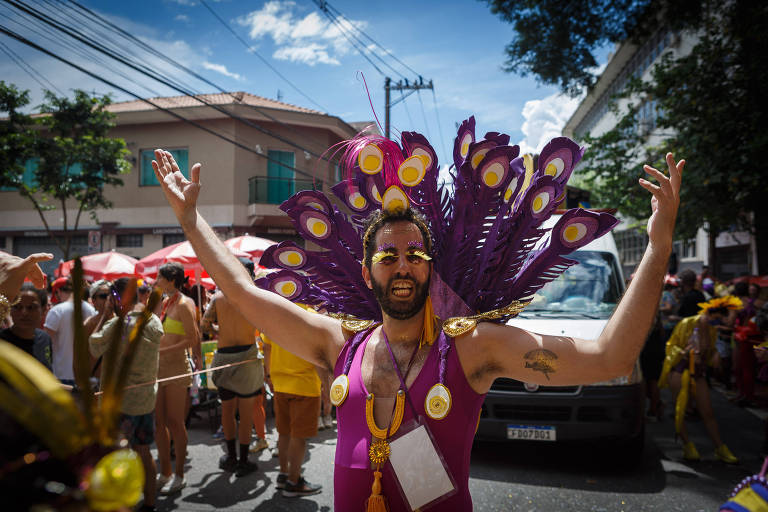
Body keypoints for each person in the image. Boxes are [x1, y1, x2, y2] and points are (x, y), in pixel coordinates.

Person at [151, 128, 682, 510]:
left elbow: (609, 356)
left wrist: (656, 251)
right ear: (366, 271)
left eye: (415, 255)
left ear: (432, 267)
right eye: (388, 257)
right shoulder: (340, 343)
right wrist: (191, 222)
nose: (402, 266)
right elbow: (243, 291)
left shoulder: (474, 346)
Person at [89, 277, 163, 512]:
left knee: (117, 455)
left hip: (119, 402)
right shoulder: (154, 322)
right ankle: (150, 503)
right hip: (144, 399)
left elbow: (94, 345)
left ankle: (122, 504)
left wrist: (105, 315)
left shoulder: (118, 324)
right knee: (144, 452)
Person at [658, 296, 742, 463]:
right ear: (710, 314)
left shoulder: (711, 330)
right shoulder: (687, 323)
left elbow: (708, 354)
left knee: (707, 411)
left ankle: (720, 448)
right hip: (679, 370)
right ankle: (687, 446)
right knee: (681, 410)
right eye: (717, 319)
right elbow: (670, 347)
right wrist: (685, 352)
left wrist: (715, 354)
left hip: (698, 373)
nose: (717, 323)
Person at [201, 257, 263, 478]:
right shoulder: (256, 298)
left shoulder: (218, 297)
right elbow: (264, 325)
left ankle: (231, 457)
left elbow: (204, 325)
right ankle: (244, 461)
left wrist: (221, 328)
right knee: (245, 415)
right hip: (247, 355)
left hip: (225, 356)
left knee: (227, 411)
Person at [262, 322, 323, 498]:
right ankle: (294, 482)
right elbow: (318, 357)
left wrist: (269, 375)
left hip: (280, 383)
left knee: (284, 433)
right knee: (299, 437)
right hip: (305, 385)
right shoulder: (310, 318)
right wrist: (327, 384)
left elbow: (267, 347)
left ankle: (283, 475)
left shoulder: (275, 315)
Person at [154, 262, 200, 494]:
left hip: (177, 369)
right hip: (158, 370)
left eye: (159, 278)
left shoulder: (183, 304)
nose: (155, 281)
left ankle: (179, 474)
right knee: (158, 422)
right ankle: (165, 472)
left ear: (171, 280)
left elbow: (193, 338)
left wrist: (162, 351)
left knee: (175, 421)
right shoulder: (164, 303)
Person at [44, 276, 96, 386]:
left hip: (60, 374)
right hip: (84, 375)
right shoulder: (91, 311)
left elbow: (45, 343)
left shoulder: (57, 311)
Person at [1, 282, 52, 370]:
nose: (24, 313)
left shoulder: (45, 339)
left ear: (43, 310)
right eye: (17, 307)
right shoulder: (2, 342)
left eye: (31, 307)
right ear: (10, 310)